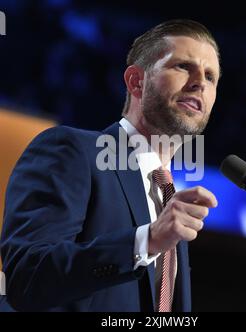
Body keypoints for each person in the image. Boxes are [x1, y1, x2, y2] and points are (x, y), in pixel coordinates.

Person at [0, 19, 220, 312]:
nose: (199, 83)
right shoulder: (71, 151)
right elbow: (26, 279)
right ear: (136, 81)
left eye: (210, 77)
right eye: (183, 66)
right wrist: (148, 240)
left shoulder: (168, 195)